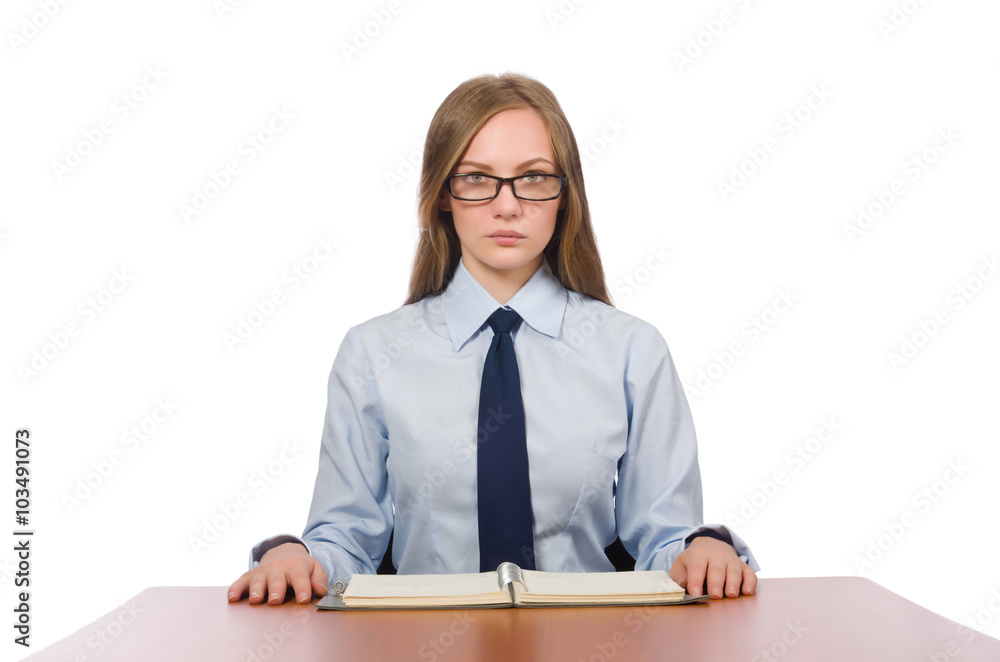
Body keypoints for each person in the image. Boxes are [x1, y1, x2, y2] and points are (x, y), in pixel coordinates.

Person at [228, 73, 759, 606]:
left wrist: (705, 549)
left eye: (532, 178)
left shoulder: (631, 351)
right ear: (442, 194)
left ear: (564, 194)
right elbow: (346, 545)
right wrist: (291, 555)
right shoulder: (371, 354)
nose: (507, 207)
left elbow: (664, 546)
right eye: (478, 178)